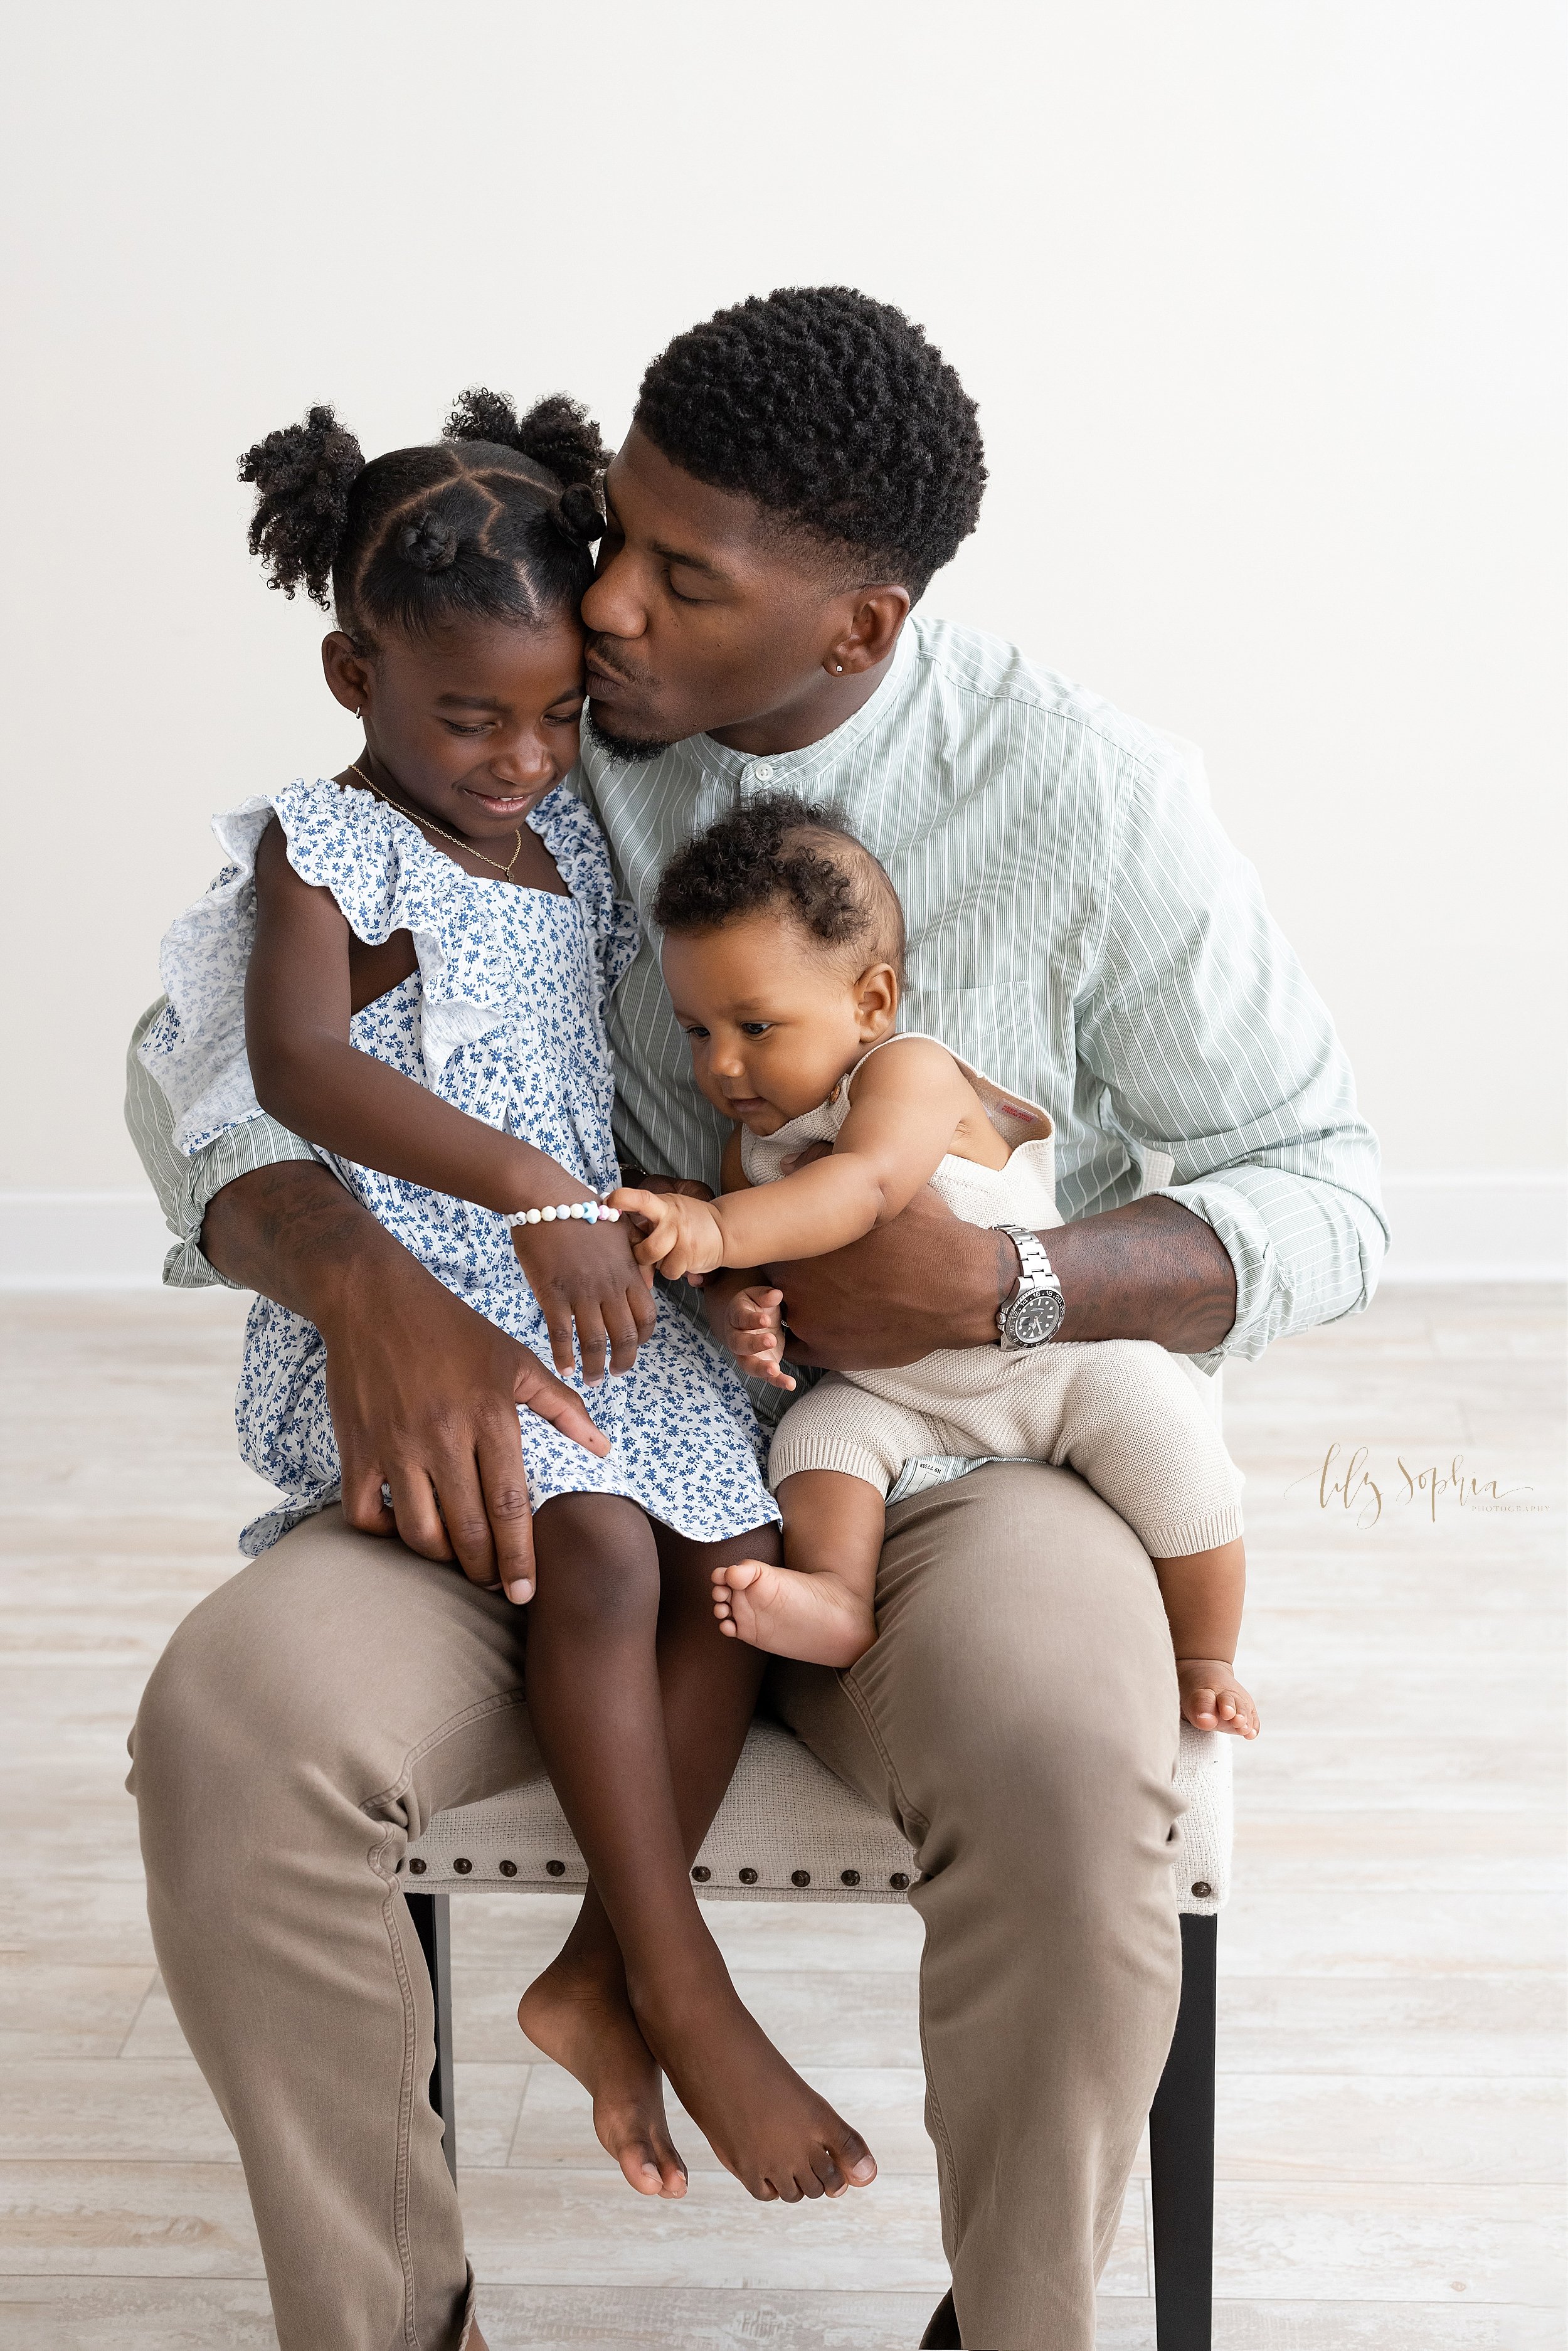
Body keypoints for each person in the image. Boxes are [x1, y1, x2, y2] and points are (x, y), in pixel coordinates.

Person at [125, 287, 1384, 2351]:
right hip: (543, 1422)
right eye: (616, 525)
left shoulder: (1086, 798)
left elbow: (1326, 1179)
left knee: (1082, 1754)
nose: (605, 601)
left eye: (678, 575)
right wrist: (357, 1274)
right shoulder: (511, 715)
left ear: (857, 628)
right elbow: (193, 1066)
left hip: (939, 1447)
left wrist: (1008, 1277)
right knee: (232, 1728)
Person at [142, 383, 884, 2231]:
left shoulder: (566, 855)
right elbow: (304, 1068)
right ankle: (689, 1985)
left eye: (553, 716)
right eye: (469, 716)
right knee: (613, 1563)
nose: (518, 758)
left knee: (737, 1565)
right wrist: (531, 1196)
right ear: (351, 676)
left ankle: (589, 1970)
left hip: (588, 1291)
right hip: (429, 1288)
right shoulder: (328, 848)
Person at [614, 792, 1261, 1746]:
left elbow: (865, 1188)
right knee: (817, 1443)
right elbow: (752, 1265)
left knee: (1177, 1455)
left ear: (869, 1002)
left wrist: (714, 1230)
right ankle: (838, 1595)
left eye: (755, 1028)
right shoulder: (746, 1149)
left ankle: (1206, 1653)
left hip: (1059, 1364)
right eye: (698, 1031)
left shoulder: (909, 1074)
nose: (722, 1068)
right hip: (894, 1393)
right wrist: (739, 1303)